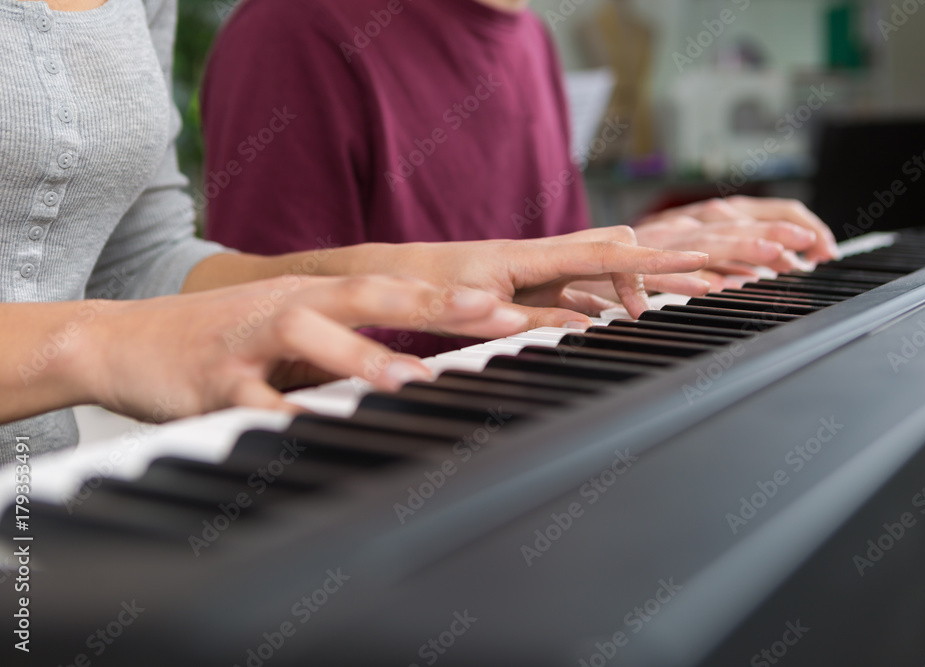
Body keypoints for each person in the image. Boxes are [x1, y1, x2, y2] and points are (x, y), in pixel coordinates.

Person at [0, 0, 711, 465]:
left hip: (36, 503)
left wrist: (427, 273)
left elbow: (135, 258)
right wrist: (95, 343)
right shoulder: (297, 27)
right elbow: (120, 321)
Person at [201, 0, 840, 357]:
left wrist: (637, 253)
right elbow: (257, 342)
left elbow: (542, 276)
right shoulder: (292, 30)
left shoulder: (528, 36)